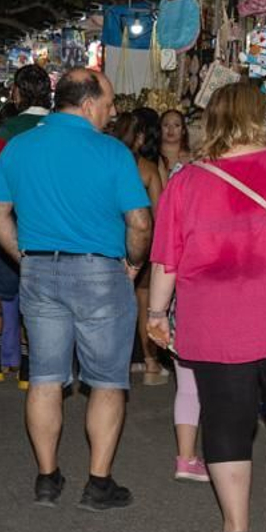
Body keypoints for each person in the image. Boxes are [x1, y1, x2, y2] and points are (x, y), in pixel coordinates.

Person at [146, 83, 266, 532]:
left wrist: (155, 312)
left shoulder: (185, 181)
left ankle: (235, 530)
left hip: (215, 321)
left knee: (227, 417)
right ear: (263, 118)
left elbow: (166, 258)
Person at [0, 68, 153, 510]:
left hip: (40, 271)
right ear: (87, 104)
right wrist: (134, 262)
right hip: (100, 274)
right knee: (107, 383)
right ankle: (98, 483)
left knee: (44, 378)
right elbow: (139, 222)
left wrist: (23, 255)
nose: (113, 111)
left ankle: (47, 476)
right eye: (109, 102)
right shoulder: (112, 153)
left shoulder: (20, 147)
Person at [0, 64, 53, 385]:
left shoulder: (9, 129)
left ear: (18, 92)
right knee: (33, 300)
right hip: (50, 226)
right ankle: (27, 369)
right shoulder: (60, 126)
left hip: (11, 224)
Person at [115, 106, 170, 386]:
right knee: (145, 303)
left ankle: (119, 362)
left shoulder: (106, 164)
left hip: (112, 242)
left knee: (115, 305)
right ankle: (150, 362)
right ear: (137, 139)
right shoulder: (147, 169)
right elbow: (161, 214)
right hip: (142, 242)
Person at [159, 108, 192, 174]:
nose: (171, 129)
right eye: (166, 125)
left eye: (176, 125)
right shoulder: (152, 157)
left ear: (183, 131)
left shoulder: (192, 159)